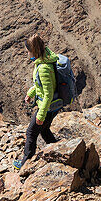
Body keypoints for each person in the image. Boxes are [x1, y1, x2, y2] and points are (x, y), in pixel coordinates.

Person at [15, 33, 63, 169]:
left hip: (47, 107)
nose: (27, 54)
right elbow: (39, 85)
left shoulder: (43, 68)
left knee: (31, 132)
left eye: (28, 51)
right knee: (44, 130)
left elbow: (47, 94)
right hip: (52, 106)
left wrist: (41, 115)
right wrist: (30, 94)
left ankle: (25, 162)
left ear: (33, 51)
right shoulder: (44, 60)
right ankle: (59, 151)